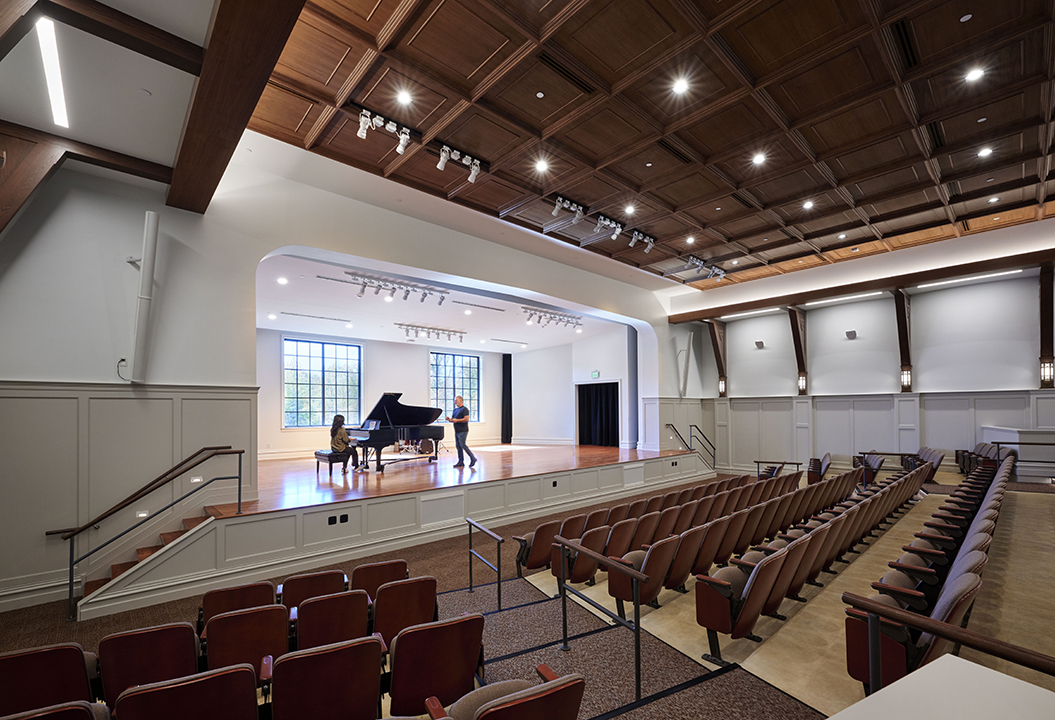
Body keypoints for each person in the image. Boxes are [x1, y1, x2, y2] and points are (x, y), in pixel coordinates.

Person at [445, 396, 476, 468]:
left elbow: (466, 419)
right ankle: (460, 462)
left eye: (456, 400)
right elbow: (453, 420)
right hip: (457, 430)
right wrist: (449, 419)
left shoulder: (465, 409)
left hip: (463, 430)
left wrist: (457, 420)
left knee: (462, 445)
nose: (455, 402)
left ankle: (473, 458)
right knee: (458, 446)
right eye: (455, 401)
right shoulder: (455, 410)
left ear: (460, 401)